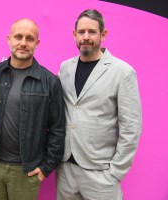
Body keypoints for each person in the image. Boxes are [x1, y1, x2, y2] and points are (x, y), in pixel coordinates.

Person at [56, 9, 142, 200]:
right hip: (65, 171)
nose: (86, 37)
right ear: (74, 34)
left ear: (103, 34)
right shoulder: (65, 68)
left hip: (101, 174)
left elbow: (131, 127)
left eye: (92, 32)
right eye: (81, 32)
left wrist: (116, 172)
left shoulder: (123, 72)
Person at [0, 18, 66, 200]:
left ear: (37, 43)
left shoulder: (50, 82)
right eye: (18, 37)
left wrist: (45, 168)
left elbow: (58, 130)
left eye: (29, 38)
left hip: (26, 171)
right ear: (9, 39)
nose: (23, 43)